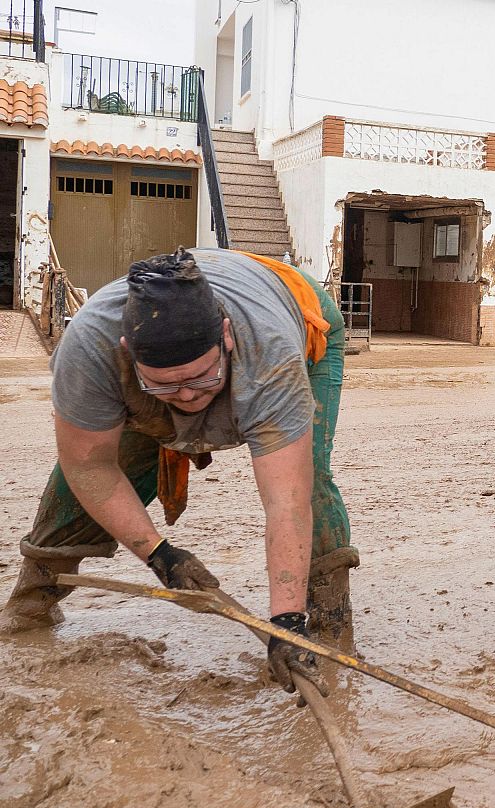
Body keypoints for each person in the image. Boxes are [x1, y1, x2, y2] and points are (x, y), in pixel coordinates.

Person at [1, 248, 358, 698]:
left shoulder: (270, 353)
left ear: (226, 338)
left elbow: (286, 500)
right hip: (167, 364)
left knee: (310, 482)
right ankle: (34, 600)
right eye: (166, 385)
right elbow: (89, 465)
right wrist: (159, 554)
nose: (188, 396)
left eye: (201, 379)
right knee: (101, 468)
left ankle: (326, 619)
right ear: (128, 353)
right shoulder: (90, 348)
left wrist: (285, 622)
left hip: (297, 311)